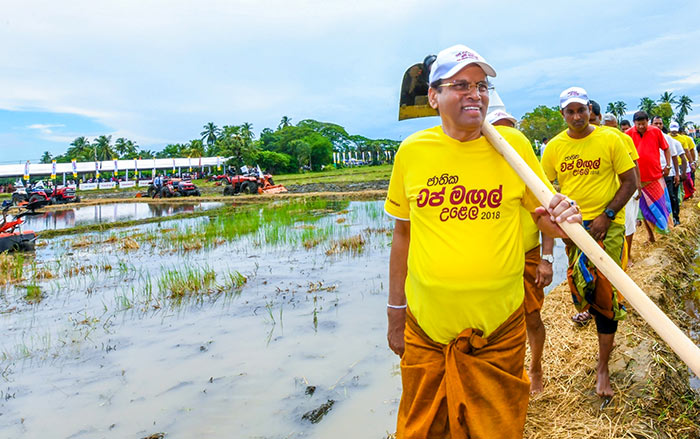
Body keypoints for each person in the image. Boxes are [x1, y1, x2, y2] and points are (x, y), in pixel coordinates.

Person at [385, 44, 582, 438]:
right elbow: (403, 234)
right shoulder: (413, 152)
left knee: (495, 430)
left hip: (498, 331)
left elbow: (547, 218)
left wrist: (564, 217)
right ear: (433, 96)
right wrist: (395, 310)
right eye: (461, 85)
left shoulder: (515, 149)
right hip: (427, 329)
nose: (475, 93)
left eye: (481, 85)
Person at [541, 87, 636, 397]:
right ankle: (591, 310)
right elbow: (544, 189)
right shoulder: (554, 148)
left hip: (607, 226)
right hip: (573, 230)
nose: (577, 116)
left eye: (581, 109)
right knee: (583, 289)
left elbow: (630, 181)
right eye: (570, 111)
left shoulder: (610, 139)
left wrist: (607, 215)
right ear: (563, 115)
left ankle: (603, 369)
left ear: (589, 109)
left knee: (607, 298)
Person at [487, 108, 554, 394]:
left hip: (527, 254)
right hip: (492, 260)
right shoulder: (480, 168)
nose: (507, 136)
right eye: (498, 130)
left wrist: (547, 260)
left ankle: (535, 368)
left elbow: (547, 214)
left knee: (531, 317)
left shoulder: (527, 169)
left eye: (510, 128)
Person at [601, 113, 643, 262]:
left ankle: (628, 255)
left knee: (629, 222)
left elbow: (634, 162)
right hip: (608, 190)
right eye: (608, 128)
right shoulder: (598, 140)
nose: (612, 131)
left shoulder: (625, 139)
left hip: (627, 189)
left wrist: (638, 184)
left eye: (614, 127)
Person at [625, 111, 672, 242]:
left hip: (655, 177)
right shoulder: (627, 134)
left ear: (648, 122)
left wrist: (668, 166)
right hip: (638, 180)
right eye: (638, 124)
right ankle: (651, 235)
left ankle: (666, 232)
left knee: (661, 207)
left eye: (643, 124)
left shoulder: (656, 132)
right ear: (634, 123)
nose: (641, 126)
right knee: (645, 212)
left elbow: (666, 149)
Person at [652, 117, 685, 225]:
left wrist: (676, 174)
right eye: (655, 123)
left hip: (667, 173)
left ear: (662, 125)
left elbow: (674, 157)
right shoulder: (648, 138)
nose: (658, 125)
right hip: (653, 175)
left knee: (671, 197)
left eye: (660, 123)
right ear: (651, 124)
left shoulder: (667, 138)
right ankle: (662, 222)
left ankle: (675, 218)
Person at [669, 121, 696, 200]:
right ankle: (679, 197)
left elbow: (687, 151)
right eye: (672, 130)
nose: (674, 131)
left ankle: (687, 193)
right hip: (672, 163)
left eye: (675, 130)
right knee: (675, 182)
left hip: (682, 162)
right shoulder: (666, 137)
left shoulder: (682, 139)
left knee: (686, 179)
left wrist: (692, 162)